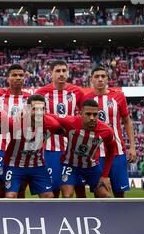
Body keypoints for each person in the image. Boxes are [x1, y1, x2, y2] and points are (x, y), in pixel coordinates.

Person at [83, 65, 137, 198]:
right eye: (97, 77)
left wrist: (132, 146)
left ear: (107, 79)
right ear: (91, 79)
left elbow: (127, 121)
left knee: (120, 192)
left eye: (103, 76)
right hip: (95, 154)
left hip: (117, 151)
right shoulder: (85, 99)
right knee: (99, 192)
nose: (100, 79)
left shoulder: (118, 97)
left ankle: (121, 218)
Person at [35, 60, 84, 198]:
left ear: (68, 72)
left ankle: (77, 217)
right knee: (53, 188)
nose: (61, 74)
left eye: (64, 70)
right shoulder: (41, 93)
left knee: (75, 189)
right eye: (58, 71)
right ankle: (52, 218)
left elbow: (84, 116)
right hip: (50, 148)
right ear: (51, 73)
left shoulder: (77, 92)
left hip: (72, 148)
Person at [3, 94, 61, 199]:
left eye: (42, 109)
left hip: (37, 165)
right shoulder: (14, 122)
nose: (39, 113)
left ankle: (42, 216)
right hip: (14, 164)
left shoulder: (53, 124)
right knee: (10, 197)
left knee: (49, 196)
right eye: (35, 109)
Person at [55, 99, 116, 198]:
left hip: (91, 166)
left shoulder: (106, 131)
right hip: (69, 164)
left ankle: (98, 214)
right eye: (88, 114)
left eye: (95, 114)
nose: (92, 118)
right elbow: (49, 117)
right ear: (81, 114)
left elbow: (111, 150)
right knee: (67, 195)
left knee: (105, 196)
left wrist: (105, 175)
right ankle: (69, 214)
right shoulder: (70, 122)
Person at [0, 64, 31, 198]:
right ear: (7, 78)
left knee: (20, 185)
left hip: (22, 150)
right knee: (0, 184)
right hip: (1, 148)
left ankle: (20, 216)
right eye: (14, 75)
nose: (18, 78)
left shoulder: (30, 98)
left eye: (21, 75)